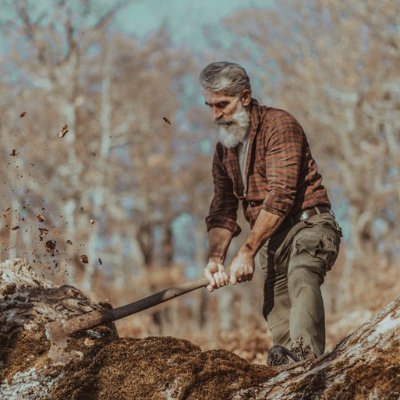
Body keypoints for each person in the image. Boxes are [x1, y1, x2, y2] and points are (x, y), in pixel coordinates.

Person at [200, 61, 341, 366]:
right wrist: (215, 259)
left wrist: (248, 250)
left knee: (302, 274)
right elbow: (223, 209)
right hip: (272, 240)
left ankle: (308, 358)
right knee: (276, 309)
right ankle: (290, 371)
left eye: (223, 105)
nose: (216, 114)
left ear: (246, 97)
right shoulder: (224, 150)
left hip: (309, 226)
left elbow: (281, 196)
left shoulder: (280, 125)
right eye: (210, 106)